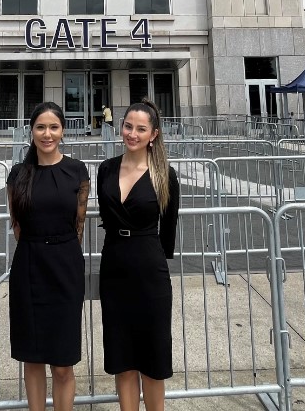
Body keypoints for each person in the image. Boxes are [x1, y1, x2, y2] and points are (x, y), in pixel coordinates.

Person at [97, 99, 180, 411]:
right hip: (114, 266)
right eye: (128, 126)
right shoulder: (105, 169)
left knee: (152, 357)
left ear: (153, 134)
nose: (132, 133)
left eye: (140, 128)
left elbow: (168, 231)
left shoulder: (164, 175)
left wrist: (154, 259)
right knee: (122, 356)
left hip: (149, 270)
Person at [6, 101, 90, 411]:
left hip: (65, 267)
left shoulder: (77, 171)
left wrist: (61, 250)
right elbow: (17, 226)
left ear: (63, 131)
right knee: (33, 358)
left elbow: (78, 224)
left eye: (53, 127)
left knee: (63, 364)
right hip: (29, 267)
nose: (47, 133)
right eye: (41, 127)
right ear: (31, 132)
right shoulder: (18, 175)